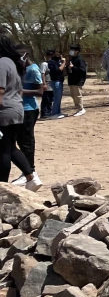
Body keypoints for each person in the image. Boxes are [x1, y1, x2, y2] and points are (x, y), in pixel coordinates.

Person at [0, 36, 37, 186]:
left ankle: (2, 186)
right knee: (10, 147)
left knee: (2, 151)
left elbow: (0, 91)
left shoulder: (2, 63)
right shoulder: (12, 63)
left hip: (4, 112)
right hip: (16, 109)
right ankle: (31, 177)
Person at [15, 45, 44, 190]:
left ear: (25, 56)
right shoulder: (21, 70)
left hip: (29, 109)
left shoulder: (33, 69)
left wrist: (21, 91)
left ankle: (31, 170)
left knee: (26, 141)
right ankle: (26, 171)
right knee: (20, 140)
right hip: (21, 108)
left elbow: (40, 91)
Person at [65, 44, 88, 116]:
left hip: (78, 80)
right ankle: (78, 108)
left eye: (72, 50)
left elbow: (83, 70)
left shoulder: (80, 59)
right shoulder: (71, 59)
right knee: (73, 95)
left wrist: (73, 67)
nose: (71, 51)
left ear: (77, 51)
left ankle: (81, 109)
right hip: (71, 79)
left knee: (78, 95)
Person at [39, 54, 54, 119]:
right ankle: (44, 113)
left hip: (52, 84)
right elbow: (43, 74)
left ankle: (49, 112)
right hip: (47, 84)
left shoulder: (53, 64)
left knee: (51, 99)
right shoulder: (44, 64)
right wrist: (44, 83)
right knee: (46, 99)